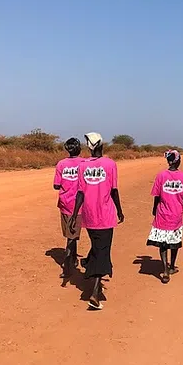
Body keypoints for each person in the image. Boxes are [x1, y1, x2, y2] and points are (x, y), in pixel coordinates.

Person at [69, 132, 124, 310]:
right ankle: (94, 292)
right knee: (103, 251)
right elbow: (114, 190)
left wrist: (75, 215)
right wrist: (120, 211)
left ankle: (89, 263)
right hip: (105, 215)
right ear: (102, 144)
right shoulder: (110, 164)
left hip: (89, 215)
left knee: (97, 245)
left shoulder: (83, 166)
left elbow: (80, 193)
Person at [147, 150, 183, 284]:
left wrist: (154, 210)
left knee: (162, 243)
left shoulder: (161, 176)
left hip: (162, 213)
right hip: (176, 215)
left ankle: (165, 269)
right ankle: (172, 266)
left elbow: (157, 196)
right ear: (178, 161)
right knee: (174, 242)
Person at [53, 137, 84, 278]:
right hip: (80, 204)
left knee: (70, 234)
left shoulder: (61, 164)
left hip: (65, 203)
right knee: (72, 236)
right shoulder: (85, 163)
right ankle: (68, 262)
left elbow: (56, 185)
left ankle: (71, 259)